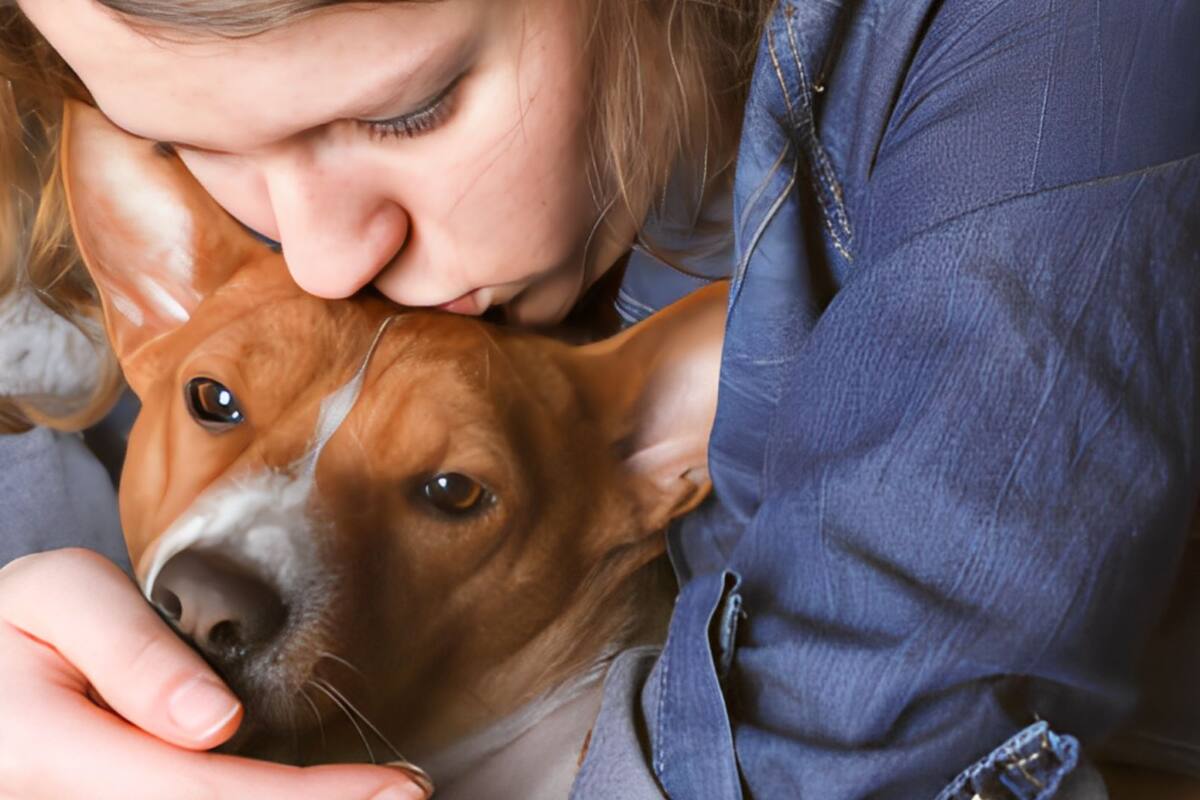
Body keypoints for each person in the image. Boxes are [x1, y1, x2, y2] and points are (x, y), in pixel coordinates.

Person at [1, 0, 1198, 797]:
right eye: (193, 140)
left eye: (405, 109)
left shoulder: (1059, 54)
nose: (321, 257)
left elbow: (868, 739)